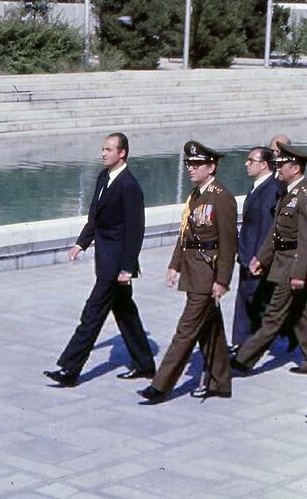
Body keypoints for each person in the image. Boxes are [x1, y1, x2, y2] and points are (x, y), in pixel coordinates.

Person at [43, 133, 156, 387]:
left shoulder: (129, 186)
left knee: (92, 314)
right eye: (103, 149)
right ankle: (145, 364)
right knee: (126, 314)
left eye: (108, 149)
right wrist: (81, 243)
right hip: (104, 259)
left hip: (116, 265)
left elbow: (135, 230)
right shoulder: (104, 177)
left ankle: (69, 370)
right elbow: (94, 217)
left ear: (122, 153)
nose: (103, 153)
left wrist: (127, 267)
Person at [138, 141, 237, 404]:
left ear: (211, 167)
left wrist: (222, 280)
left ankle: (160, 385)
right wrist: (175, 265)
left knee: (186, 330)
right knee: (210, 330)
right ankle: (220, 381)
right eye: (188, 164)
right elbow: (186, 236)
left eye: (196, 165)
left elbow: (228, 243)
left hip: (207, 273)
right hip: (193, 271)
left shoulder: (221, 197)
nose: (191, 169)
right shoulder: (196, 195)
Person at [232, 143, 307, 375]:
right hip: (283, 260)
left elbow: (306, 240)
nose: (278, 168)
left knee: (274, 314)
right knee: (300, 313)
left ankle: (243, 360)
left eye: (282, 164)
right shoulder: (287, 192)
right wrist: (261, 259)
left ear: (295, 168)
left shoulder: (303, 196)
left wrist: (299, 273)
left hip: (293, 263)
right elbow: (275, 231)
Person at [231, 147, 284, 352]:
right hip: (247, 254)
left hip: (255, 256)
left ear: (264, 165)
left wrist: (259, 258)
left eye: (251, 160)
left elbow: (266, 228)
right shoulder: (258, 187)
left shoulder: (271, 189)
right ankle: (242, 342)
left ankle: (248, 346)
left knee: (255, 301)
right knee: (246, 299)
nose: (246, 164)